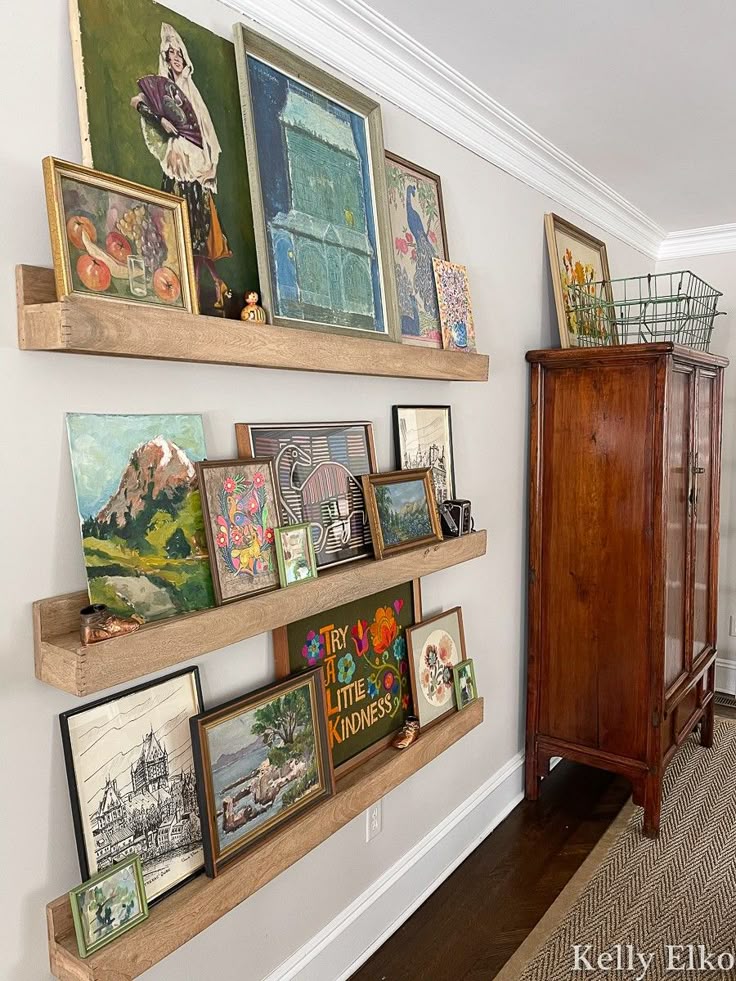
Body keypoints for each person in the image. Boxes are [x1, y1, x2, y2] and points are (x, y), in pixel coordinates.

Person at [131, 23, 231, 312]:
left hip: (195, 168)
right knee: (174, 230)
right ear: (164, 57)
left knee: (198, 234)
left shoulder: (191, 89)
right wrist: (159, 119)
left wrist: (212, 165)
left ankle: (200, 291)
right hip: (176, 166)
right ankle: (187, 291)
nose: (175, 58)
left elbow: (207, 130)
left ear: (184, 57)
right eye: (170, 53)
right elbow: (136, 100)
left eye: (178, 53)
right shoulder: (162, 90)